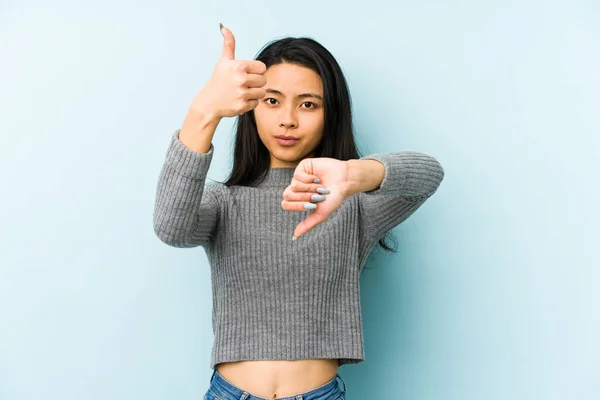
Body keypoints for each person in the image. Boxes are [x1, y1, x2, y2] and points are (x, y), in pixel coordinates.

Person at [153, 23, 445, 400]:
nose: (287, 119)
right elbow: (170, 227)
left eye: (308, 104)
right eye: (272, 101)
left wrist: (352, 174)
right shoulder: (224, 202)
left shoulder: (348, 203)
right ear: (250, 107)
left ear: (329, 113)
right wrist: (204, 111)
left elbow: (428, 174)